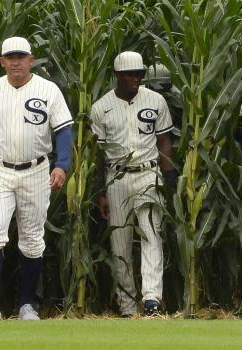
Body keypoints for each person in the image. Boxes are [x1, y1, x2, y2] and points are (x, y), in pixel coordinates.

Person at [0, 36, 73, 321]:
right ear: (1, 61)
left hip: (36, 170)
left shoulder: (48, 90)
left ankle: (28, 306)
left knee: (32, 239)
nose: (15, 61)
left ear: (31, 59)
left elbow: (63, 129)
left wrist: (62, 164)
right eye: (10, 57)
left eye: (21, 56)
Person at [90, 51, 175, 317]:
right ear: (117, 75)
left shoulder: (156, 100)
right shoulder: (101, 107)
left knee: (151, 233)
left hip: (149, 174)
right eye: (130, 74)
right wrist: (99, 191)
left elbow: (164, 142)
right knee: (120, 242)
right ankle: (127, 305)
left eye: (139, 74)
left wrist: (169, 178)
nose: (136, 79)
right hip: (116, 177)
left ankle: (152, 300)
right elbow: (97, 153)